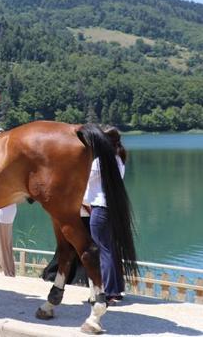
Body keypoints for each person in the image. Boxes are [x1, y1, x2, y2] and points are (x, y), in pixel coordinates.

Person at [84, 126, 127, 304]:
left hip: (99, 209)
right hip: (112, 209)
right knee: (111, 250)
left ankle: (108, 292)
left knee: (103, 251)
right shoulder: (120, 159)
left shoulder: (100, 162)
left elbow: (85, 182)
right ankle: (116, 290)